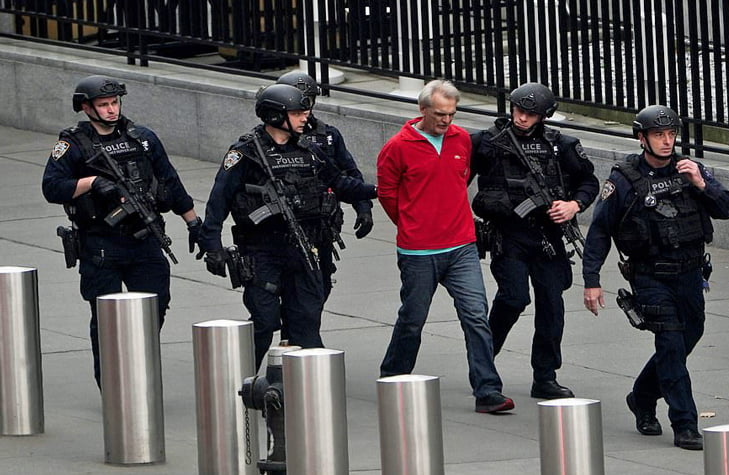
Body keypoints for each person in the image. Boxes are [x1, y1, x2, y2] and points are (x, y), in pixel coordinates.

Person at [582, 105, 729, 450]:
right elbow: (600, 232)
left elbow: (726, 208)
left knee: (688, 338)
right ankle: (685, 423)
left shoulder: (690, 169)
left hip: (690, 273)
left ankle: (642, 396)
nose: (666, 142)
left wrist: (700, 182)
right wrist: (591, 280)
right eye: (658, 135)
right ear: (641, 138)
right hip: (650, 276)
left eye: (671, 135)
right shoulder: (623, 178)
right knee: (669, 342)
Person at [195, 84, 377, 370]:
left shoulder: (311, 150)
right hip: (261, 252)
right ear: (276, 115)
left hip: (304, 249)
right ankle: (239, 383)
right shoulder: (245, 153)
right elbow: (219, 201)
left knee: (306, 324)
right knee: (265, 322)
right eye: (297, 112)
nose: (306, 116)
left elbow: (341, 183)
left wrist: (378, 191)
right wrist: (212, 247)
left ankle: (305, 391)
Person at [42, 75, 201, 388]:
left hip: (144, 239)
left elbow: (170, 180)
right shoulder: (73, 144)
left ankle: (136, 364)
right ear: (86, 108)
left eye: (115, 103)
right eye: (104, 105)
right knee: (106, 320)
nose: (112, 110)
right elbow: (51, 187)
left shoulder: (141, 138)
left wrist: (193, 222)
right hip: (101, 245)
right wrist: (91, 183)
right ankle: (113, 386)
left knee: (156, 304)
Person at [376, 79, 514, 414]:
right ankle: (393, 375)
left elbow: (460, 179)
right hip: (419, 251)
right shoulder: (398, 146)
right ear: (422, 110)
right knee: (413, 318)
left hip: (461, 245)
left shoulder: (461, 139)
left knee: (476, 316)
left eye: (451, 114)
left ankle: (487, 390)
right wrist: (412, 223)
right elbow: (387, 194)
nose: (446, 121)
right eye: (439, 114)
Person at [470, 82, 599, 399]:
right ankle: (484, 365)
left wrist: (573, 206)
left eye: (530, 113)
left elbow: (588, 180)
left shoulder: (560, 145)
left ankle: (545, 376)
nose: (522, 118)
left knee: (552, 306)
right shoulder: (487, 142)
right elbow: (455, 176)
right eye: (518, 110)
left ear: (543, 116)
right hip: (508, 234)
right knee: (513, 298)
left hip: (548, 235)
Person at [276, 70, 374, 299]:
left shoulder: (328, 136)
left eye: (307, 101)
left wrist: (364, 208)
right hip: (282, 228)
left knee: (320, 285)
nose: (302, 107)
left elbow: (349, 175)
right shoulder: (267, 139)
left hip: (320, 224)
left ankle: (301, 333)